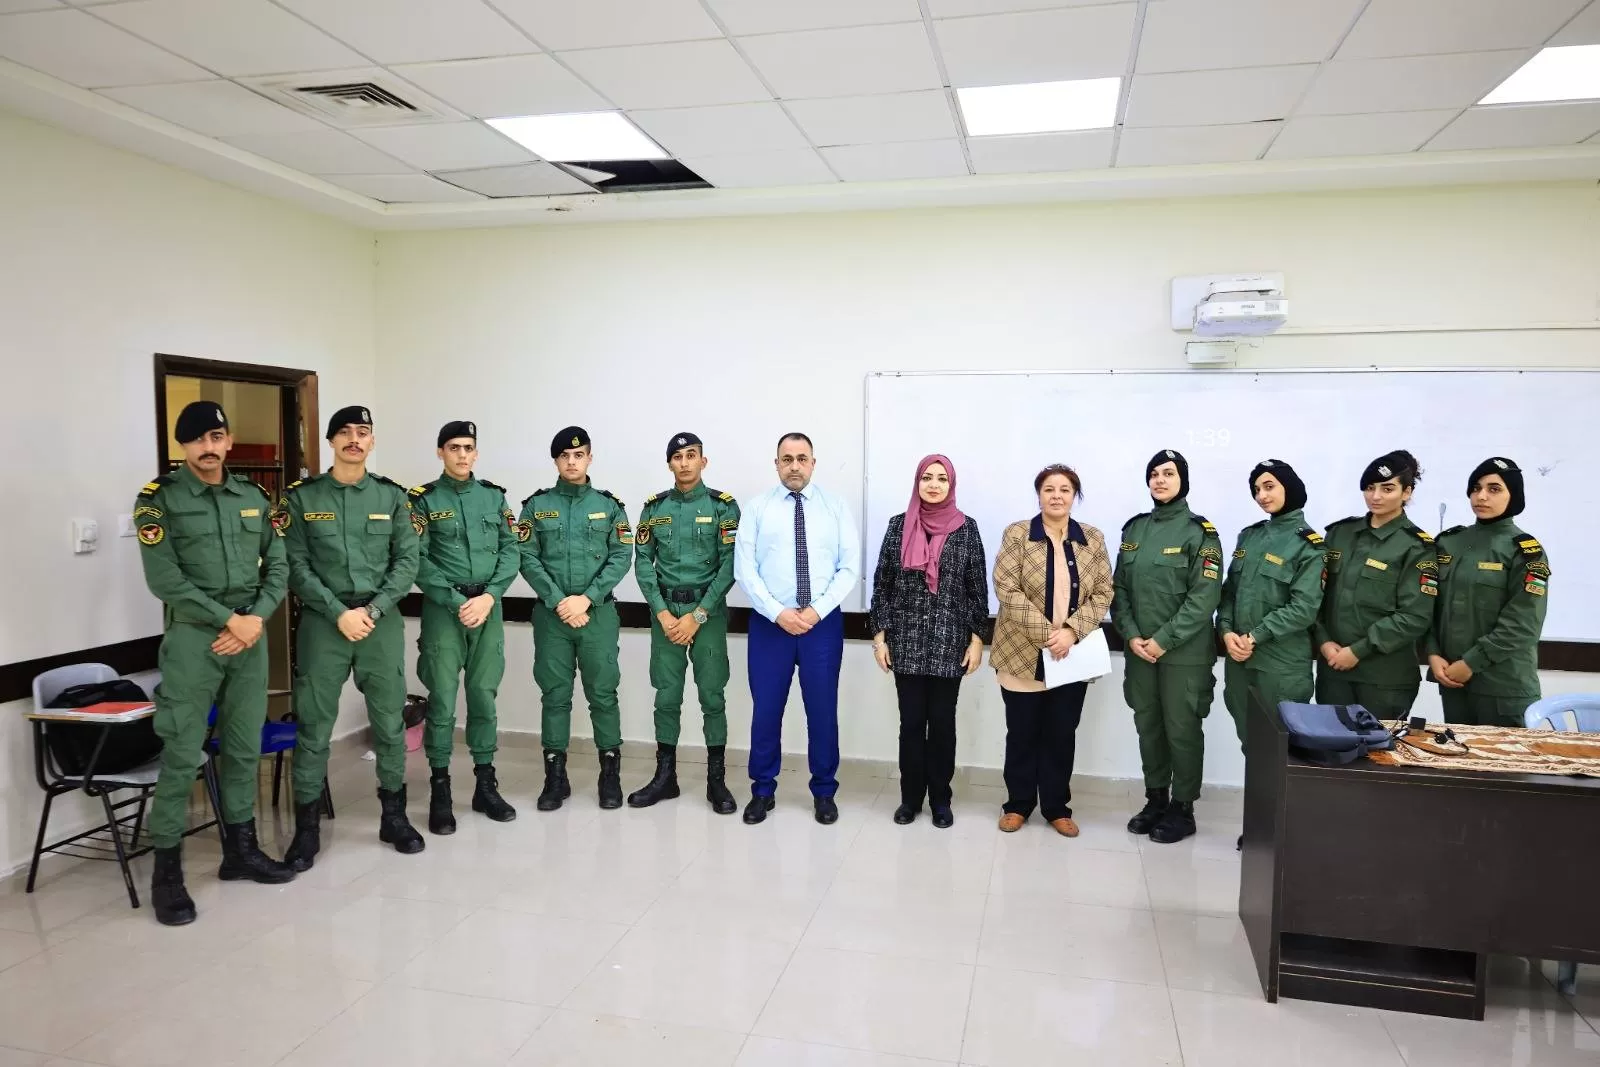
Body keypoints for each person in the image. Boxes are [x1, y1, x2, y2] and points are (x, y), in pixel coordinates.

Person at [135, 400, 294, 926]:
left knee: (244, 747)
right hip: (194, 640)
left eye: (217, 437)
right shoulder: (159, 500)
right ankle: (167, 874)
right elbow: (164, 579)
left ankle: (240, 852)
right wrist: (229, 620)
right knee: (182, 753)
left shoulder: (253, 496)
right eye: (198, 439)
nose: (209, 447)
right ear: (183, 445)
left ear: (228, 441)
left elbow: (279, 564)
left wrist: (256, 618)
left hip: (250, 637)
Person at [280, 405, 422, 869]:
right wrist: (338, 612)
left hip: (379, 622)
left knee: (390, 722)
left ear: (372, 441)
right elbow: (294, 564)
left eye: (363, 432)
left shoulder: (392, 497)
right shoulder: (302, 498)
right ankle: (306, 829)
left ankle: (394, 817)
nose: (354, 440)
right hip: (325, 623)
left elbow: (407, 561)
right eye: (345, 432)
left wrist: (373, 609)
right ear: (331, 441)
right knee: (313, 725)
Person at [735, 432, 860, 826]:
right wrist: (779, 613)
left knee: (822, 711)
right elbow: (745, 570)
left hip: (821, 625)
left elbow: (849, 567)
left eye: (801, 458)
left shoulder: (835, 507)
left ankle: (824, 791)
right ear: (776, 464)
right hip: (770, 626)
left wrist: (816, 611)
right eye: (786, 459)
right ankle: (762, 791)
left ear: (813, 463)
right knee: (766, 711)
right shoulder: (757, 509)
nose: (794, 466)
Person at [990, 464, 1114, 838]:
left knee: (1061, 735)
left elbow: (1104, 591)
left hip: (1071, 656)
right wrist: (1049, 635)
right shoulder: (1017, 533)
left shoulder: (1092, 538)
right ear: (1039, 494)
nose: (1056, 495)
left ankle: (1057, 807)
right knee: (1022, 734)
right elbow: (1006, 586)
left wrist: (1071, 632)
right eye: (1049, 489)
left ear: (1074, 496)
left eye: (1064, 489)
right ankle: (1017, 805)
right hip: (1021, 652)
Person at [409, 420, 520, 835]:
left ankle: (485, 786)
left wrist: (490, 597)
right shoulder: (422, 500)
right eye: (453, 447)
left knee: (483, 696)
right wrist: (458, 602)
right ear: (440, 452)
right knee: (441, 699)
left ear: (476, 453)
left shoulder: (493, 497)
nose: (461, 454)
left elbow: (511, 550)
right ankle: (440, 790)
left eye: (468, 447)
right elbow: (417, 558)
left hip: (487, 609)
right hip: (445, 610)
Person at [516, 426, 633, 812]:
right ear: (556, 461)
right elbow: (526, 556)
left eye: (578, 455)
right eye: (564, 456)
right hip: (552, 618)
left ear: (589, 458)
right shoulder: (536, 506)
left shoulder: (609, 506)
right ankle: (555, 778)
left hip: (597, 615)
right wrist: (558, 601)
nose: (571, 461)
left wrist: (586, 599)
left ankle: (609, 775)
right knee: (555, 695)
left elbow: (621, 555)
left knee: (603, 694)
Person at [869, 454, 988, 829]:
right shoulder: (898, 525)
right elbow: (882, 584)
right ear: (917, 482)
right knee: (910, 724)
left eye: (941, 479)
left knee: (941, 725)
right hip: (905, 642)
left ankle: (940, 799)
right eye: (926, 478)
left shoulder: (966, 529)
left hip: (949, 644)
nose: (933, 484)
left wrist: (977, 640)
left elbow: (977, 589)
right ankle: (910, 799)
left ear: (951, 485)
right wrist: (879, 637)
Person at [1112, 450, 1223, 844]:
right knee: (1149, 726)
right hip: (1140, 651)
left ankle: (1183, 807)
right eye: (1154, 474)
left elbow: (1204, 597)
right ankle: (1156, 798)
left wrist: (1162, 641)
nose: (1160, 480)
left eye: (1169, 474)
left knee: (1182, 730)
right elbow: (1119, 589)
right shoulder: (1135, 530)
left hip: (1183, 655)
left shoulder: (1200, 533)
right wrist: (1131, 635)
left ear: (1183, 481)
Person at [628, 432, 741, 813]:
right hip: (665, 615)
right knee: (666, 696)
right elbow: (643, 563)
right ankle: (666, 778)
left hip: (707, 614)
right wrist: (662, 613)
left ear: (703, 461)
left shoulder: (723, 507)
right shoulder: (654, 508)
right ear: (669, 464)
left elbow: (730, 565)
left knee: (712, 695)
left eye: (692, 455)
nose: (685, 462)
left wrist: (699, 615)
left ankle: (716, 780)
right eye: (677, 457)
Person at [1218, 460, 1325, 848]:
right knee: (1254, 747)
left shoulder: (1309, 545)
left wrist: (1255, 636)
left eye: (1269, 486)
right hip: (1241, 663)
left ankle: (1283, 831)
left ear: (1289, 488)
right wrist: (1226, 631)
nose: (1262, 495)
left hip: (1281, 666)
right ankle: (1261, 825)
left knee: (1282, 749)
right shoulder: (1249, 536)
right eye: (1257, 489)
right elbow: (1229, 593)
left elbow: (1304, 607)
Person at [1426, 457, 1551, 726]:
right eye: (1476, 488)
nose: (1481, 496)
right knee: (1457, 753)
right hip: (1452, 681)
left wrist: (1471, 662)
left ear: (1513, 495)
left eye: (1494, 489)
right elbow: (1429, 606)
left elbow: (1523, 624)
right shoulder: (1449, 543)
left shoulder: (1525, 551)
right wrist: (1432, 653)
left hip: (1504, 687)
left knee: (1506, 755)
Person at [1314, 450, 1436, 720]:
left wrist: (1358, 650)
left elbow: (1415, 615)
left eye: (1387, 489)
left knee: (1379, 747)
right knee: (1328, 743)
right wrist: (1323, 642)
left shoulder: (1416, 546)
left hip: (1384, 679)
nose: (1376, 496)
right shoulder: (1339, 534)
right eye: (1370, 488)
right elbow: (1316, 595)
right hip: (1333, 673)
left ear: (1407, 492)